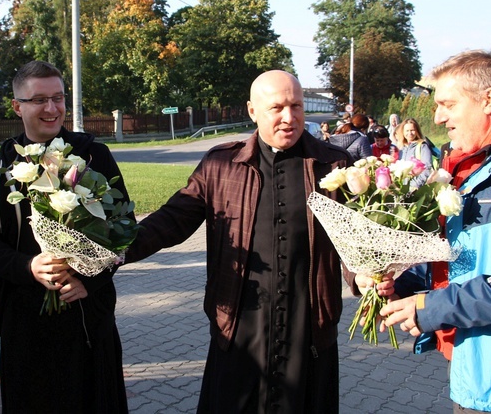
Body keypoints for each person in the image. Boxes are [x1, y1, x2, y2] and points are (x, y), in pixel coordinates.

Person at [125, 70, 386, 413]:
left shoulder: (332, 165)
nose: (289, 118)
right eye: (277, 108)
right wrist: (113, 248)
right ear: (252, 111)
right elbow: (172, 220)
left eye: (296, 106)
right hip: (238, 325)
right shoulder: (222, 164)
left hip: (307, 324)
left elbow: (356, 240)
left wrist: (363, 275)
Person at [0, 60, 132, 413]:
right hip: (26, 317)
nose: (52, 108)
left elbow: (124, 229)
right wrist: (28, 266)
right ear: (17, 106)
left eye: (58, 98)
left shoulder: (94, 155)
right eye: (39, 99)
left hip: (87, 313)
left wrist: (93, 279)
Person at [381, 50, 491, 413]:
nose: (438, 117)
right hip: (478, 373)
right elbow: (462, 259)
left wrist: (430, 307)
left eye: (448, 104)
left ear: (488, 100)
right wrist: (400, 281)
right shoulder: (478, 166)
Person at [398, 118, 432, 188]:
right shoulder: (401, 149)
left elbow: (427, 169)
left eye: (412, 130)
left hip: (416, 189)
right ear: (403, 132)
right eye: (407, 131)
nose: (409, 133)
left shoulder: (422, 146)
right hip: (402, 189)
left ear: (417, 131)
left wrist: (414, 185)